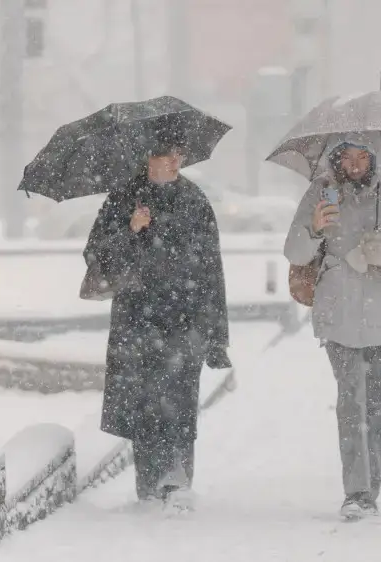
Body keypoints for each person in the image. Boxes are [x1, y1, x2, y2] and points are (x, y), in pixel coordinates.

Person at [85, 125, 233, 511]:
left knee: (179, 401)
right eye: (164, 154)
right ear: (147, 158)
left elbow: (211, 269)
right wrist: (131, 232)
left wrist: (215, 333)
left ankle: (177, 480)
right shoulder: (123, 198)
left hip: (186, 317)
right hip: (137, 318)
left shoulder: (195, 201)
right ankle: (150, 484)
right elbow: (97, 257)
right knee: (144, 401)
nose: (172, 161)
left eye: (177, 154)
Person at [284, 136, 381, 520]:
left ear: (375, 158)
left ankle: (370, 488)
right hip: (339, 312)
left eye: (362, 156)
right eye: (347, 157)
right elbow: (295, 252)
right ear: (336, 158)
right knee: (352, 402)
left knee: (377, 406)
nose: (354, 165)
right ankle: (357, 492)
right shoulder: (321, 192)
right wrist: (314, 229)